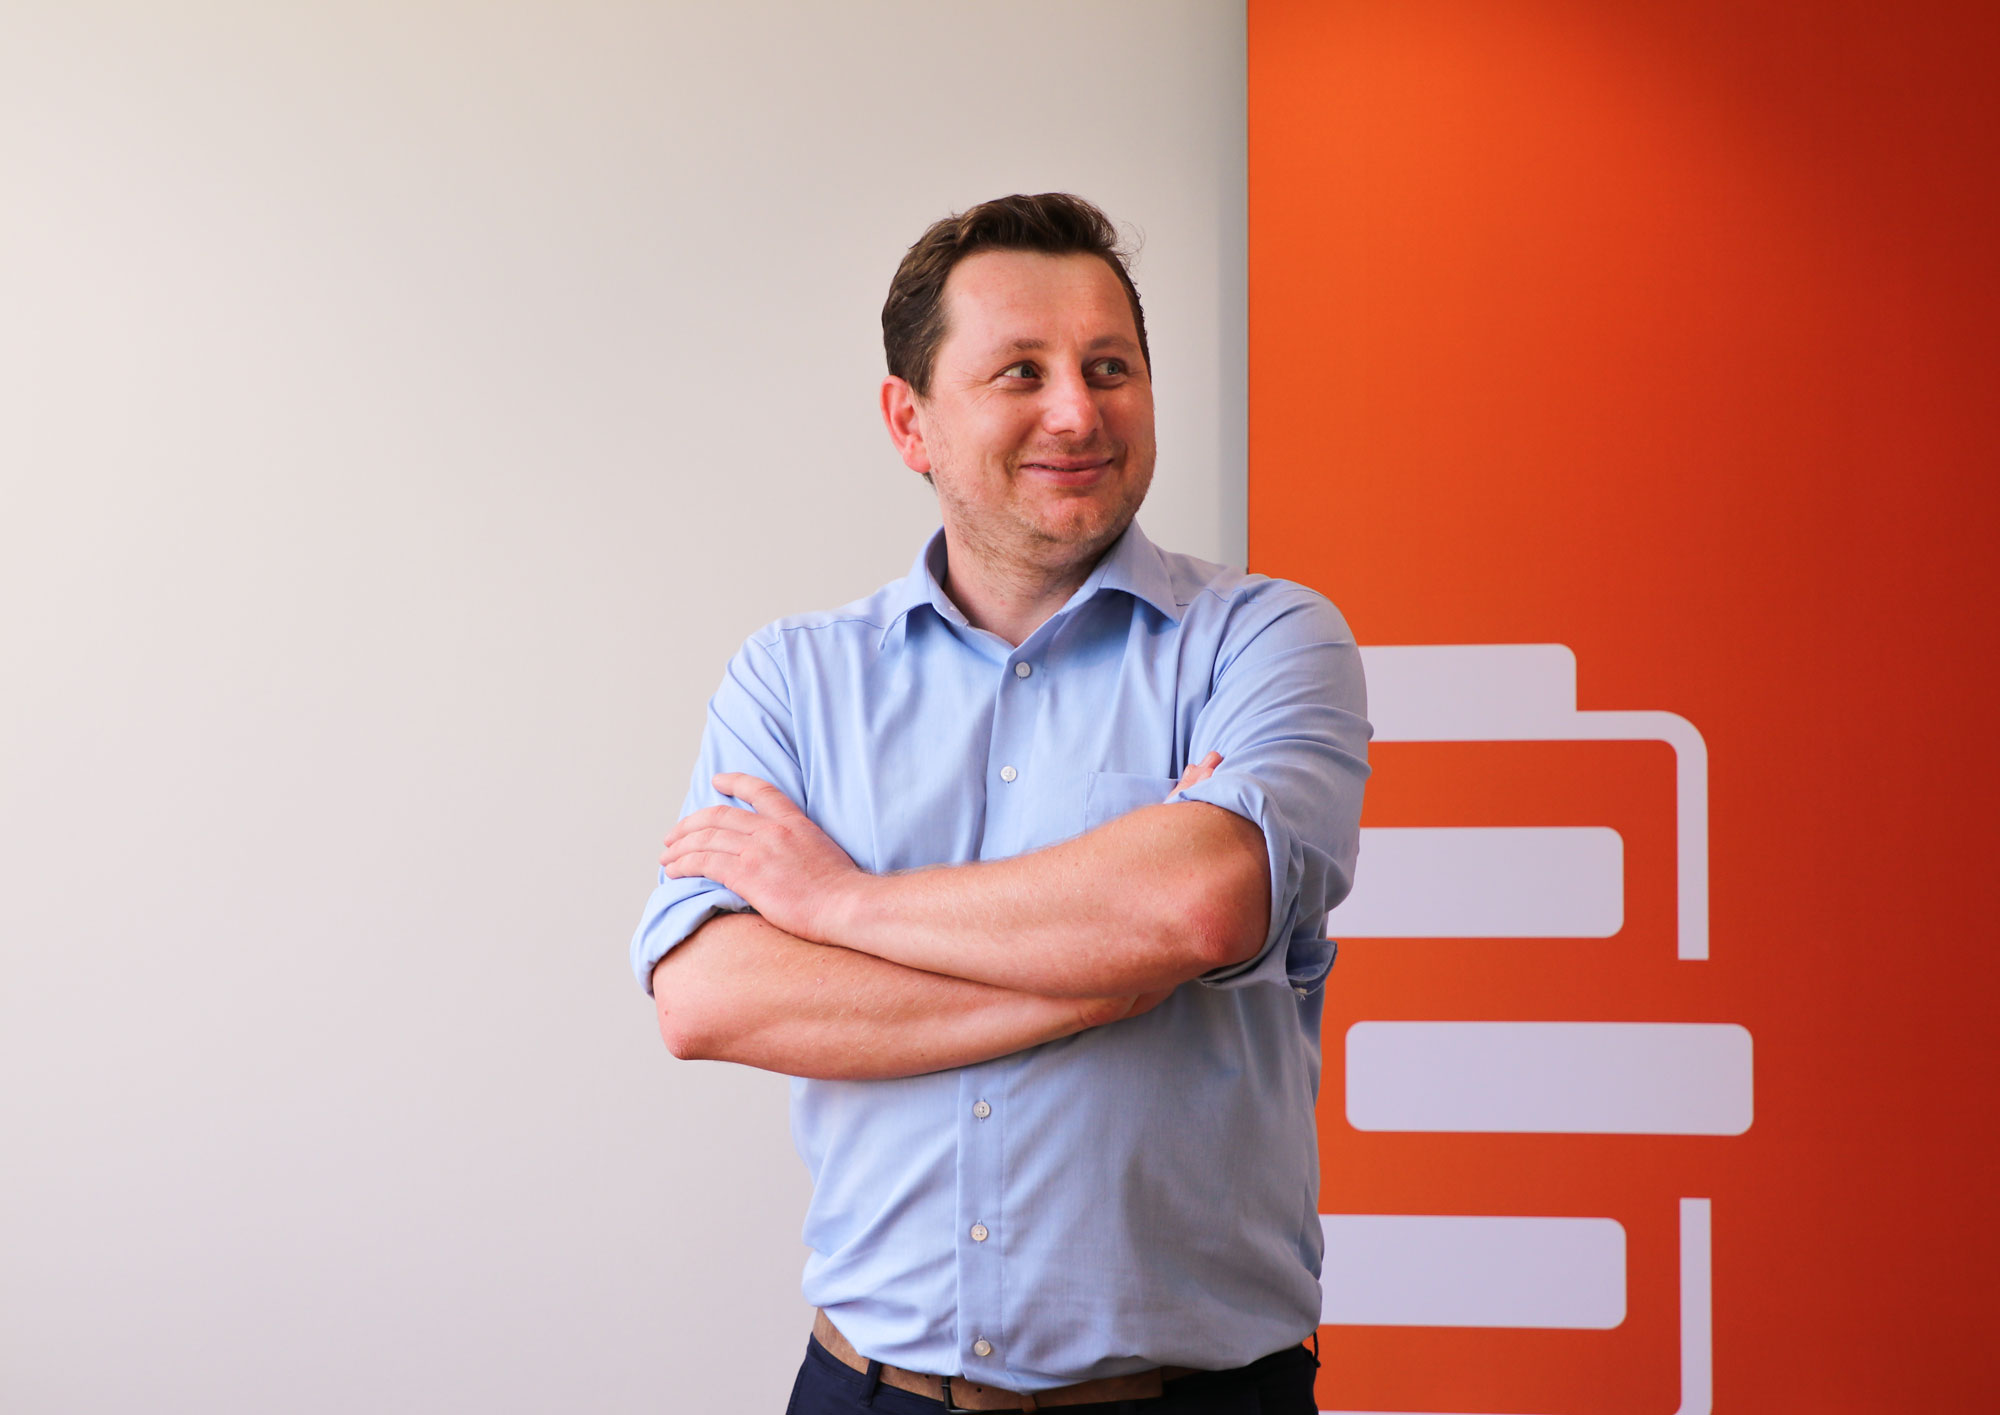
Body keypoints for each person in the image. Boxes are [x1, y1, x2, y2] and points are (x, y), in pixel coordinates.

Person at [631, 193, 1370, 1413]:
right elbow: (709, 996)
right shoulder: (794, 679)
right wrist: (1104, 970)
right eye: (1020, 371)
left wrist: (839, 904)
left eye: (1108, 367)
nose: (1076, 410)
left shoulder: (1265, 641)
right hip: (867, 1388)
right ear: (908, 420)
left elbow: (1199, 906)